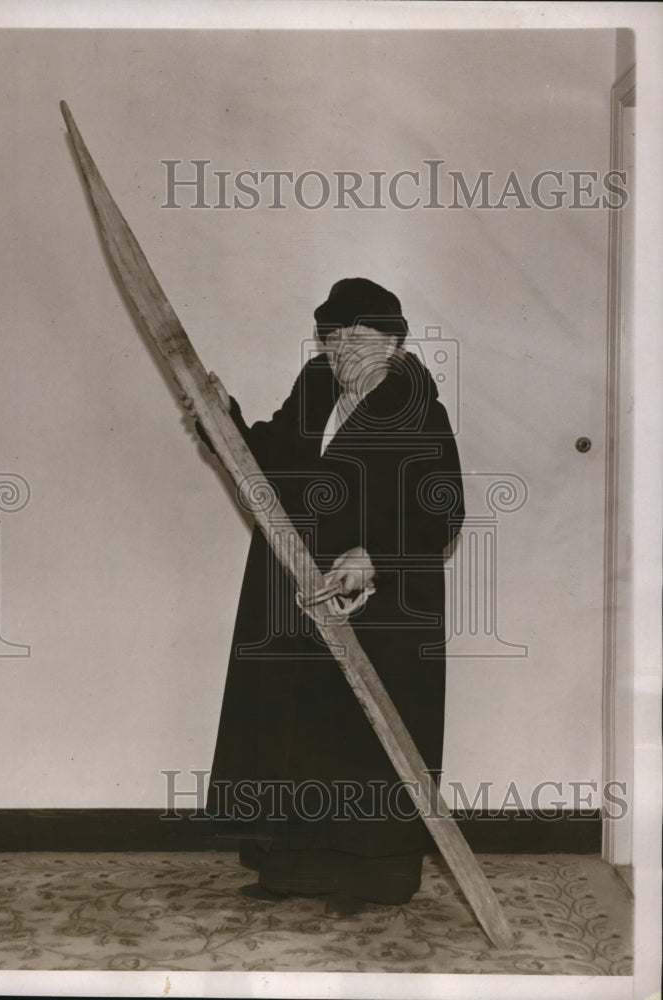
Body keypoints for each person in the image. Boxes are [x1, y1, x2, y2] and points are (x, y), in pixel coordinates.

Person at [188, 277, 464, 917]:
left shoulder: (421, 409)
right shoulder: (314, 389)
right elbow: (267, 464)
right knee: (297, 729)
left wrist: (374, 557)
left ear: (395, 343)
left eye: (360, 337)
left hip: (384, 606)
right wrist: (219, 418)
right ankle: (292, 869)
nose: (344, 352)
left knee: (363, 741)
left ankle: (376, 878)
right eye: (333, 338)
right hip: (296, 587)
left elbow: (443, 512)